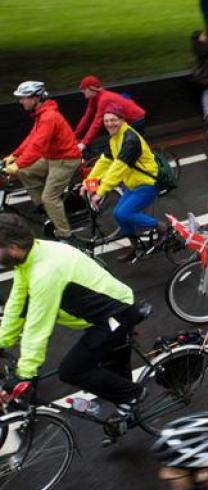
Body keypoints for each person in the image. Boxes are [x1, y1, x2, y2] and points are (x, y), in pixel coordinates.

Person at [0, 213, 147, 438]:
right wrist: (2, 341)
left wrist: (25, 374)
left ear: (12, 247)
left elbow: (37, 327)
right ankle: (128, 410)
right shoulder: (31, 256)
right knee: (114, 373)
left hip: (116, 313)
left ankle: (134, 395)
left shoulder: (45, 272)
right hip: (101, 314)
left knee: (72, 370)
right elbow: (17, 305)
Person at [82, 103, 168, 261]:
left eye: (113, 120)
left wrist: (100, 192)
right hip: (132, 184)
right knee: (118, 215)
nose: (109, 124)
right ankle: (135, 247)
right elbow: (104, 162)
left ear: (122, 120)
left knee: (124, 213)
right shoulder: (114, 137)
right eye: (106, 121)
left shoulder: (130, 139)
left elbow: (118, 168)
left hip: (147, 183)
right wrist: (88, 184)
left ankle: (160, 226)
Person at [3, 81, 81, 240]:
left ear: (36, 98)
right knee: (25, 171)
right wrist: (15, 155)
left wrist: (17, 165)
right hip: (52, 158)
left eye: (24, 98)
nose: (21, 101)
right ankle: (45, 208)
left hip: (65, 160)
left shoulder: (49, 117)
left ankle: (65, 234)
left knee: (50, 197)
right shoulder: (42, 114)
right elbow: (32, 138)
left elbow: (37, 146)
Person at [74, 75, 147, 152]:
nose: (82, 91)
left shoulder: (104, 99)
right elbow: (86, 117)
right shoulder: (94, 98)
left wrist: (84, 144)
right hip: (126, 120)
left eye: (84, 89)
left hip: (136, 120)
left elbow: (96, 123)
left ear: (92, 89)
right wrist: (75, 136)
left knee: (125, 150)